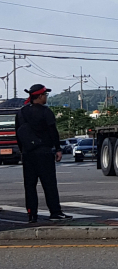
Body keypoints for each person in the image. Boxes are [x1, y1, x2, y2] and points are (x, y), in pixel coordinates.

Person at [15, 84, 72, 224]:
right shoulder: (46, 112)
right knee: (49, 184)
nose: (46, 97)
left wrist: (23, 150)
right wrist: (58, 149)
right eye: (45, 95)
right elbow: (53, 132)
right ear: (39, 96)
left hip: (28, 154)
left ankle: (31, 214)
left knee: (29, 185)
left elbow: (18, 134)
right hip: (44, 152)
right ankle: (55, 212)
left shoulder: (21, 112)